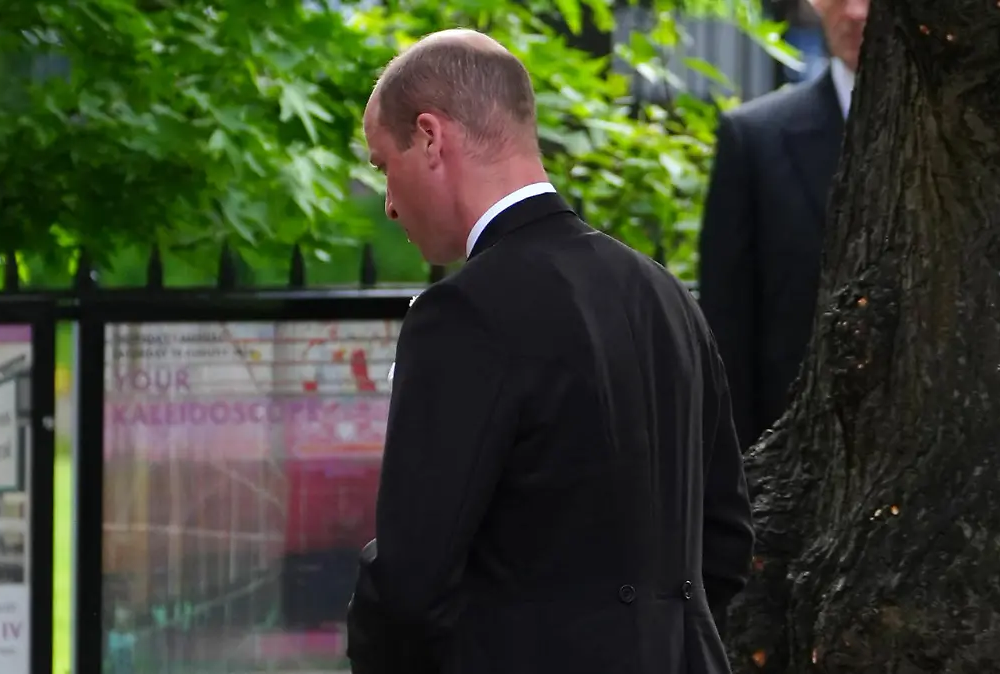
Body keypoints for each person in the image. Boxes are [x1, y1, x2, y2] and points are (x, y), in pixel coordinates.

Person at [347, 28, 755, 674]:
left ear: (430, 137)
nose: (390, 204)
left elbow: (411, 585)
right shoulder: (667, 297)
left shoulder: (464, 315)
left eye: (381, 165)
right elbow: (727, 538)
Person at [698, 0, 868, 450]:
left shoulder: (974, 139)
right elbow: (727, 323)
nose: (854, 13)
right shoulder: (755, 138)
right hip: (793, 447)